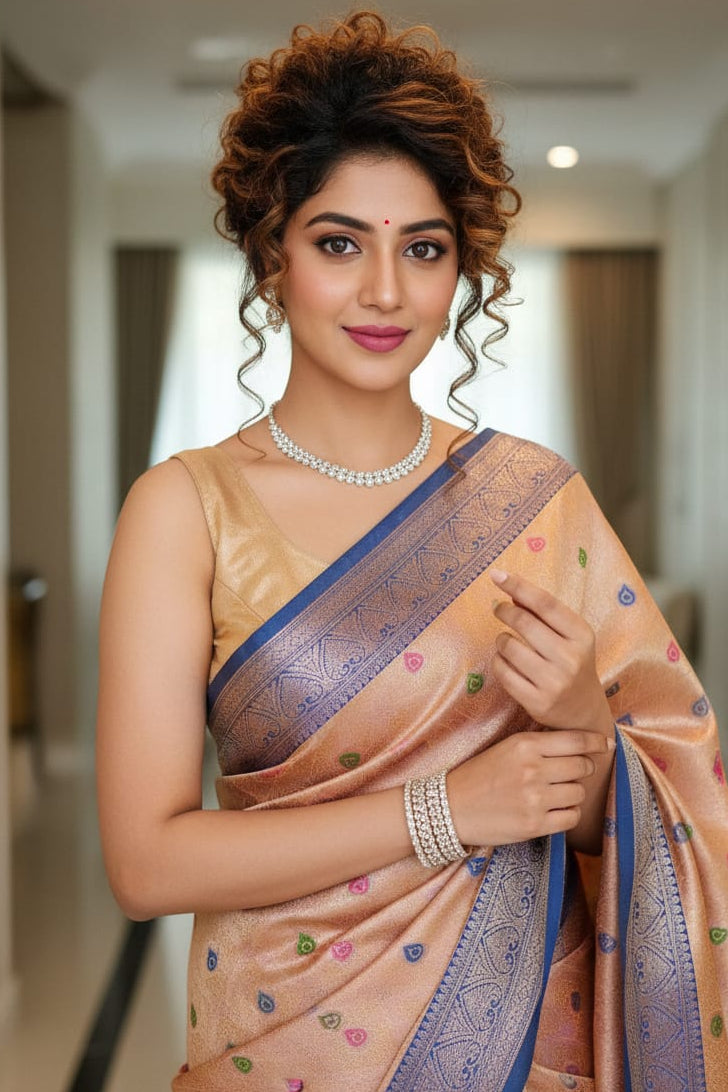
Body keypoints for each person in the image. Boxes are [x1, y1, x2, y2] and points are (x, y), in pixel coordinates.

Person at [96, 11, 728, 1090]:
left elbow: (653, 804)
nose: (384, 292)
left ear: (458, 271)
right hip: (277, 1048)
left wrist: (582, 725)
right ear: (271, 255)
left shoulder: (533, 499)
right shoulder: (185, 506)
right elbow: (147, 864)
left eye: (422, 249)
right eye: (339, 243)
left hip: (526, 1045)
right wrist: (445, 810)